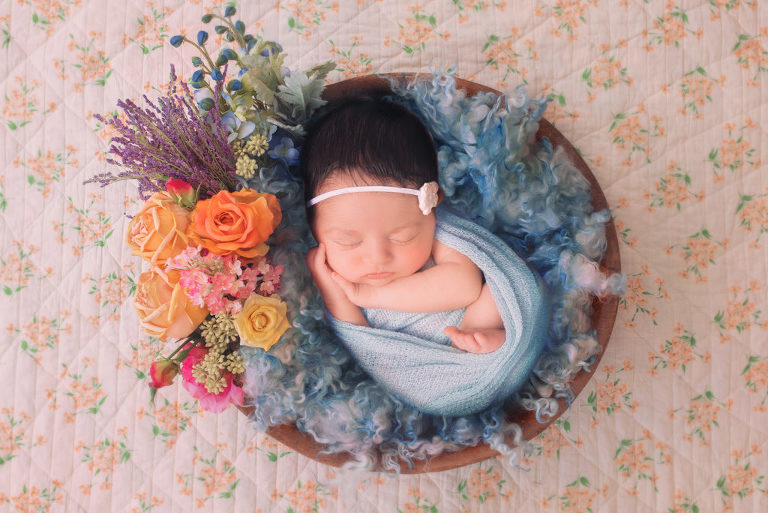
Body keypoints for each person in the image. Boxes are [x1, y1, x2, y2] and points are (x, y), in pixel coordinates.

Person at [301, 97, 505, 353]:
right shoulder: (335, 281)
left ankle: (489, 345)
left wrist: (370, 296)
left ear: (433, 208)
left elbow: (465, 286)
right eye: (348, 241)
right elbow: (362, 345)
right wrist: (331, 291)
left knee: (506, 285)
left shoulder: (441, 236)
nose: (377, 258)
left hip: (467, 329)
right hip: (402, 366)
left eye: (403, 237)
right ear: (313, 225)